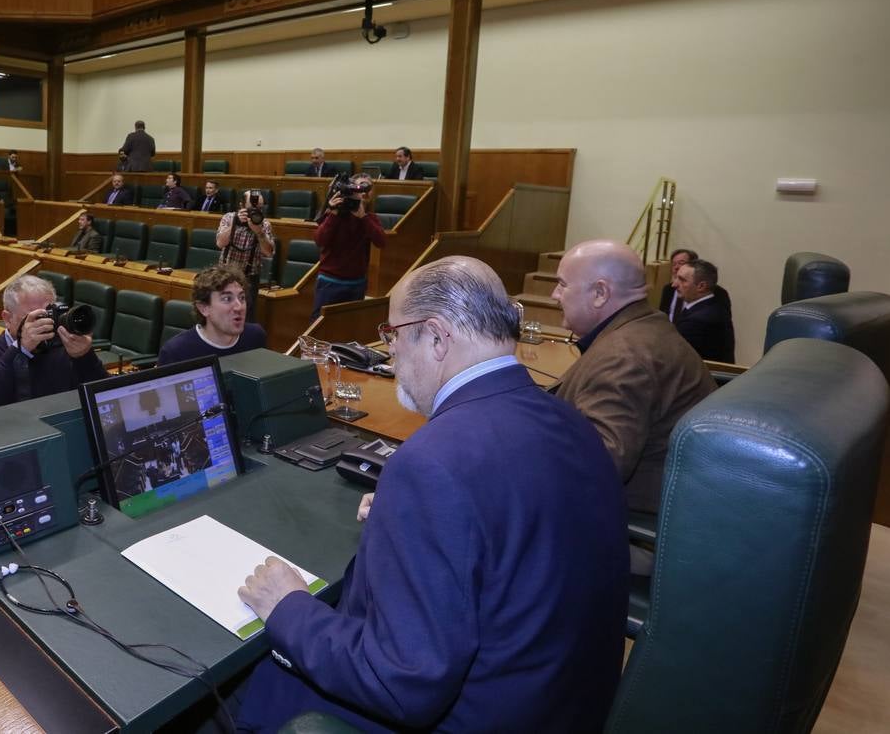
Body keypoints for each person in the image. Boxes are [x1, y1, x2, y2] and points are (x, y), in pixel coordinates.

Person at [235, 256, 628, 732]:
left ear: (437, 337)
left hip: (471, 717)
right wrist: (414, 516)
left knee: (231, 692)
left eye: (393, 336)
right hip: (561, 704)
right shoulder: (570, 421)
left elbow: (400, 683)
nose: (390, 353)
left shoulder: (432, 464)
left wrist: (288, 606)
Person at [550, 240, 715, 554]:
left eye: (562, 284)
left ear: (600, 293)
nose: (554, 295)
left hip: (630, 528)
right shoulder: (644, 326)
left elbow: (596, 465)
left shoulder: (623, 357)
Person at [0, 274, 107, 412]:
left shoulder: (64, 346)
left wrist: (84, 357)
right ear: (7, 319)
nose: (43, 324)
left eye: (47, 314)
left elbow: (105, 396)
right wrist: (20, 350)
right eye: (34, 317)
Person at [157, 266, 267, 365]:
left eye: (242, 298)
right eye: (227, 299)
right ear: (204, 308)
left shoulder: (255, 336)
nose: (239, 307)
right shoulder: (176, 353)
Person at [312, 174, 386, 317]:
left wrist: (363, 218)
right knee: (320, 326)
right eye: (359, 188)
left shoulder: (370, 218)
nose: (363, 192)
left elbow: (381, 242)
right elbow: (319, 240)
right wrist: (333, 213)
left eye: (367, 188)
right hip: (330, 281)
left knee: (349, 326)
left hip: (356, 283)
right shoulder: (335, 214)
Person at [216, 190, 275, 324]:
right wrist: (235, 224)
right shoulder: (229, 218)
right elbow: (220, 243)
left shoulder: (264, 224)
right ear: (241, 205)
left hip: (250, 278)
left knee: (245, 318)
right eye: (252, 208)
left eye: (259, 208)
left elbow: (268, 253)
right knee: (222, 316)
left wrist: (259, 233)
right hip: (225, 275)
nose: (255, 211)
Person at [672, 259, 736, 362]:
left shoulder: (697, 321)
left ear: (701, 286)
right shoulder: (715, 303)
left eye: (682, 280)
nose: (674, 284)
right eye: (676, 278)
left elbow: (675, 357)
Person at [658, 247, 697, 319]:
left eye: (681, 263)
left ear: (693, 265)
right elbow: (662, 315)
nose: (676, 267)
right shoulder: (668, 289)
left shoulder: (700, 289)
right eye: (673, 264)